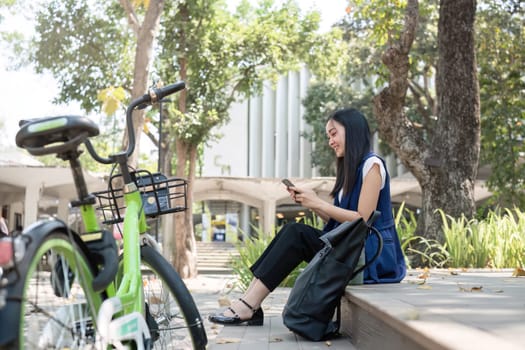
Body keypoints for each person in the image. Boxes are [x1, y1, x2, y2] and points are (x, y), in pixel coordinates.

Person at [209, 108, 406, 326]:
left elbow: (361, 221)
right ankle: (249, 302)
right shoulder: (350, 171)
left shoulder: (373, 165)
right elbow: (338, 223)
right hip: (350, 250)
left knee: (296, 234)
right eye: (328, 136)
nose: (330, 141)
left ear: (352, 131)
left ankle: (249, 305)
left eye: (333, 133)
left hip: (369, 258)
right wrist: (311, 203)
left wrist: (318, 202)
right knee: (292, 232)